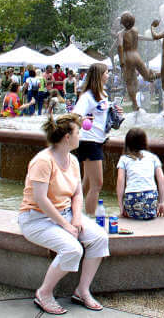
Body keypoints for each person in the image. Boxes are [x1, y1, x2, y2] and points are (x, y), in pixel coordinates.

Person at [18, 113, 109, 315]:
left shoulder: (73, 161)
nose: (81, 135)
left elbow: (77, 193)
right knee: (73, 249)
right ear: (67, 137)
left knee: (100, 238)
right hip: (36, 218)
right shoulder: (42, 161)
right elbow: (41, 199)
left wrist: (76, 218)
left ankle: (82, 290)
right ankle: (44, 293)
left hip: (66, 213)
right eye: (78, 132)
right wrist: (66, 225)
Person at [72, 63, 124, 215]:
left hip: (99, 141)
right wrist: (85, 122)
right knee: (97, 184)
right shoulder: (87, 96)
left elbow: (102, 112)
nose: (109, 75)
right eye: (107, 72)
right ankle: (90, 218)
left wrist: (114, 110)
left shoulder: (102, 94)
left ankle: (72, 209)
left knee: (88, 182)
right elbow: (76, 115)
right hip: (89, 142)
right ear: (99, 75)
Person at [116, 128, 164, 220]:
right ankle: (149, 213)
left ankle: (129, 212)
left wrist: (121, 206)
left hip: (132, 202)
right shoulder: (153, 157)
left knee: (131, 210)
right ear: (145, 141)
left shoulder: (124, 158)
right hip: (150, 202)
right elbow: (161, 179)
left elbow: (120, 181)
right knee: (149, 211)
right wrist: (161, 202)